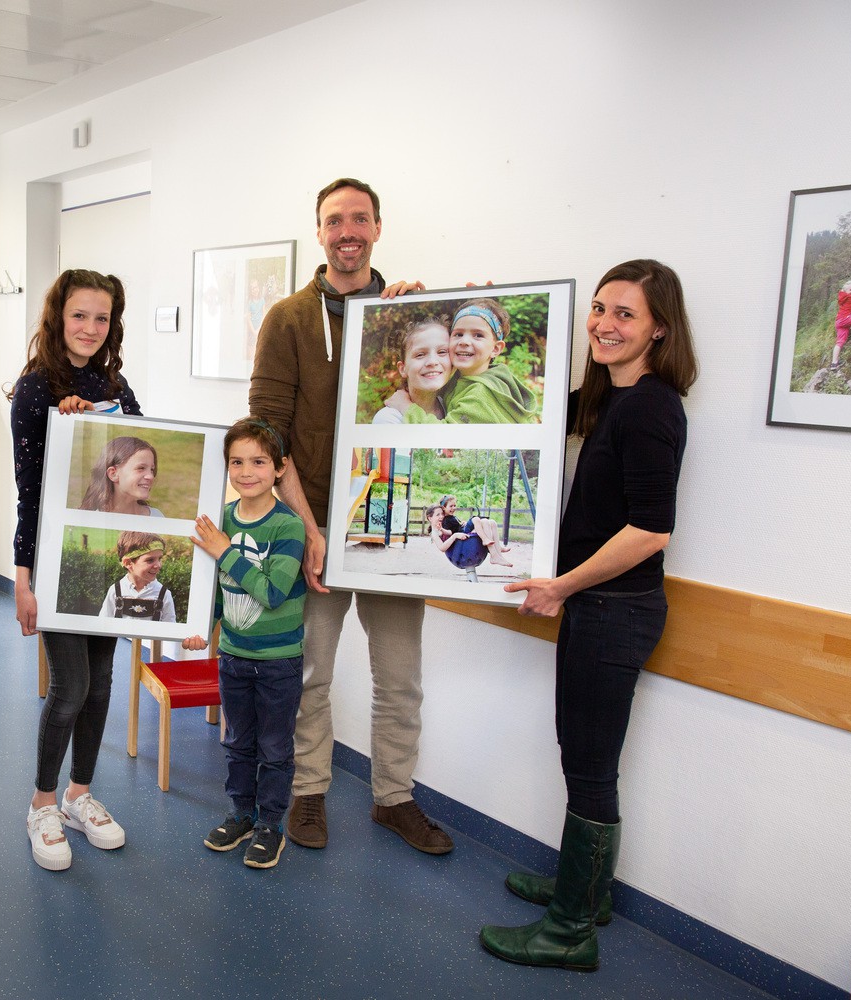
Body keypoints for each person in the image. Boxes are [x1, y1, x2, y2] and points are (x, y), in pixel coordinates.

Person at [479, 259, 699, 971]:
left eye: (624, 314)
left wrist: (563, 586)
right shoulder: (609, 397)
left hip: (615, 611)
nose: (604, 323)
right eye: (599, 309)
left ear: (659, 328)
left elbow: (651, 530)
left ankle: (572, 930)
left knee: (593, 767)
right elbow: (523, 413)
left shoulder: (652, 406)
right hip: (597, 610)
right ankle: (589, 893)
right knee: (582, 756)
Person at [249, 177, 452, 855]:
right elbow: (268, 437)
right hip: (319, 528)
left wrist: (447, 309)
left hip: (395, 528)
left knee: (400, 678)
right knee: (311, 672)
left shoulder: (405, 315)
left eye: (360, 219)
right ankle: (309, 792)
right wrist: (309, 531)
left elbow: (452, 395)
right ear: (319, 232)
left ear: (377, 228)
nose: (348, 232)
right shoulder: (287, 319)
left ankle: (394, 798)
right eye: (335, 220)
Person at [8, 268, 137, 872]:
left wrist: (98, 422)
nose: (90, 328)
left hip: (107, 559)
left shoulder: (117, 384)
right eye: (79, 315)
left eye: (102, 318)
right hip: (59, 561)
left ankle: (79, 796)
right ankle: (41, 804)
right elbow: (28, 491)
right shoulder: (36, 389)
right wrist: (23, 578)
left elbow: (135, 460)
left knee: (103, 684)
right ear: (58, 317)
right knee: (70, 689)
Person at [182, 418, 307, 870]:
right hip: (233, 657)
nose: (247, 471)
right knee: (238, 743)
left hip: (278, 664)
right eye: (237, 462)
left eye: (258, 461)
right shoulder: (224, 522)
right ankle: (241, 814)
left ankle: (272, 824)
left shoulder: (288, 527)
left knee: (275, 748)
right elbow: (217, 589)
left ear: (280, 468)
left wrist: (225, 550)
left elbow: (272, 592)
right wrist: (202, 626)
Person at [388, 297, 538, 424]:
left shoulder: (480, 394)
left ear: (496, 349)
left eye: (478, 335)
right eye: (458, 334)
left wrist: (406, 407)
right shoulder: (460, 379)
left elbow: (443, 438)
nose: (464, 341)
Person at [371, 319, 450, 424]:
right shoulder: (389, 419)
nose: (432, 362)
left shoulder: (455, 408)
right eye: (420, 354)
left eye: (442, 352)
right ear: (403, 369)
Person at [98, 531, 176, 622]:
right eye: (150, 560)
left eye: (160, 559)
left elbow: (169, 627)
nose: (158, 565)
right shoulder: (116, 590)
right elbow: (103, 623)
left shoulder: (163, 594)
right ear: (128, 563)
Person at [78, 436, 164, 516]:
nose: (150, 476)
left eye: (152, 469)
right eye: (141, 468)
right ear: (113, 474)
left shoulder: (156, 517)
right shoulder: (89, 520)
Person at [435, 495, 513, 571]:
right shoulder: (445, 519)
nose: (454, 508)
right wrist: (441, 529)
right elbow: (450, 532)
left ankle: (497, 550)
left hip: (463, 530)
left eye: (455, 505)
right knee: (475, 519)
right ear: (444, 508)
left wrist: (463, 523)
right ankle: (486, 541)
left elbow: (456, 526)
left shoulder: (452, 517)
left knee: (491, 522)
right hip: (461, 537)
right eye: (451, 506)